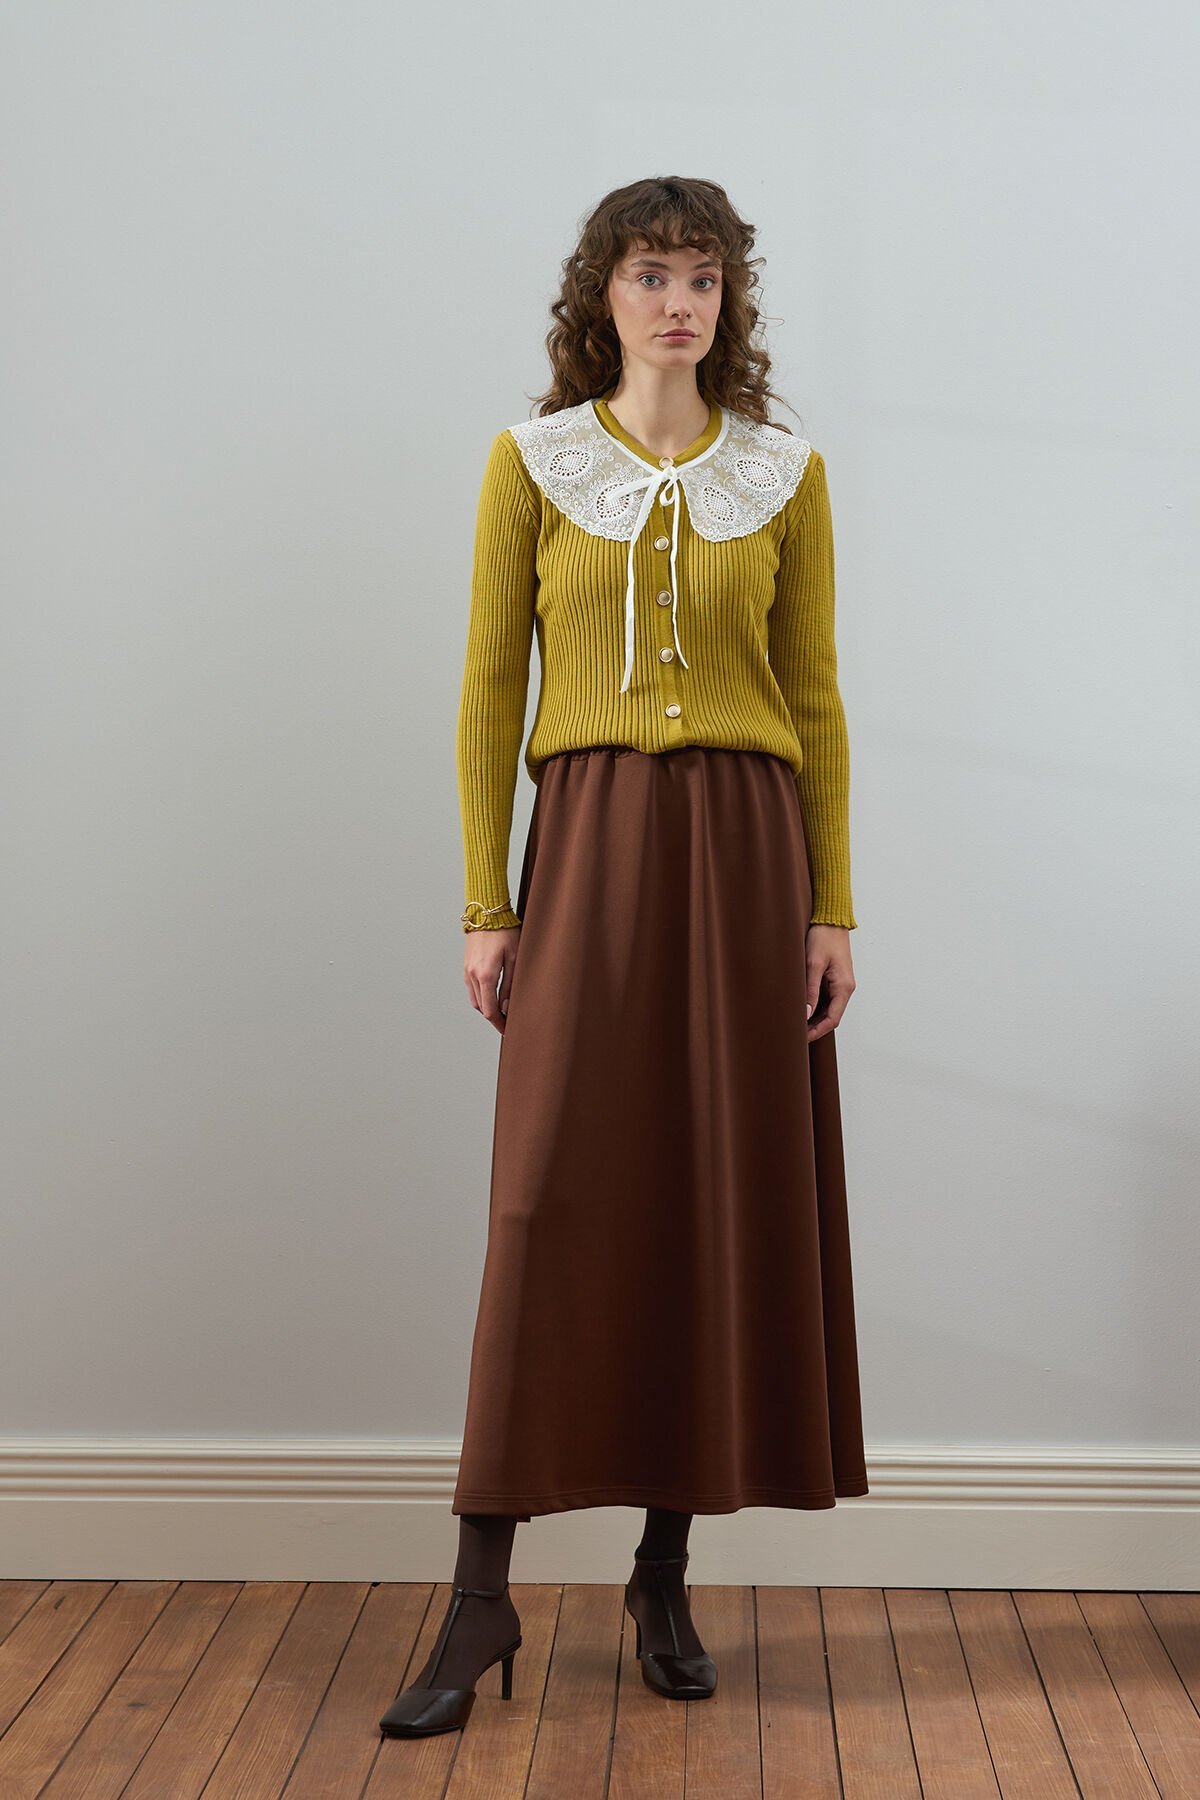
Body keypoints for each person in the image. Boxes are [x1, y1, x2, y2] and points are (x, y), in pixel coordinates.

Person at [380, 175, 869, 1741]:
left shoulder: (784, 475)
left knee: (703, 1195)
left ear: (732, 302)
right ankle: (482, 1591)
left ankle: (664, 1573)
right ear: (603, 293)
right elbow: (486, 690)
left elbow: (815, 700)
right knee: (545, 1196)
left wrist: (833, 908)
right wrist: (487, 900)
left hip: (745, 859)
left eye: (704, 278)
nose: (678, 302)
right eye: (652, 273)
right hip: (586, 849)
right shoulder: (533, 463)